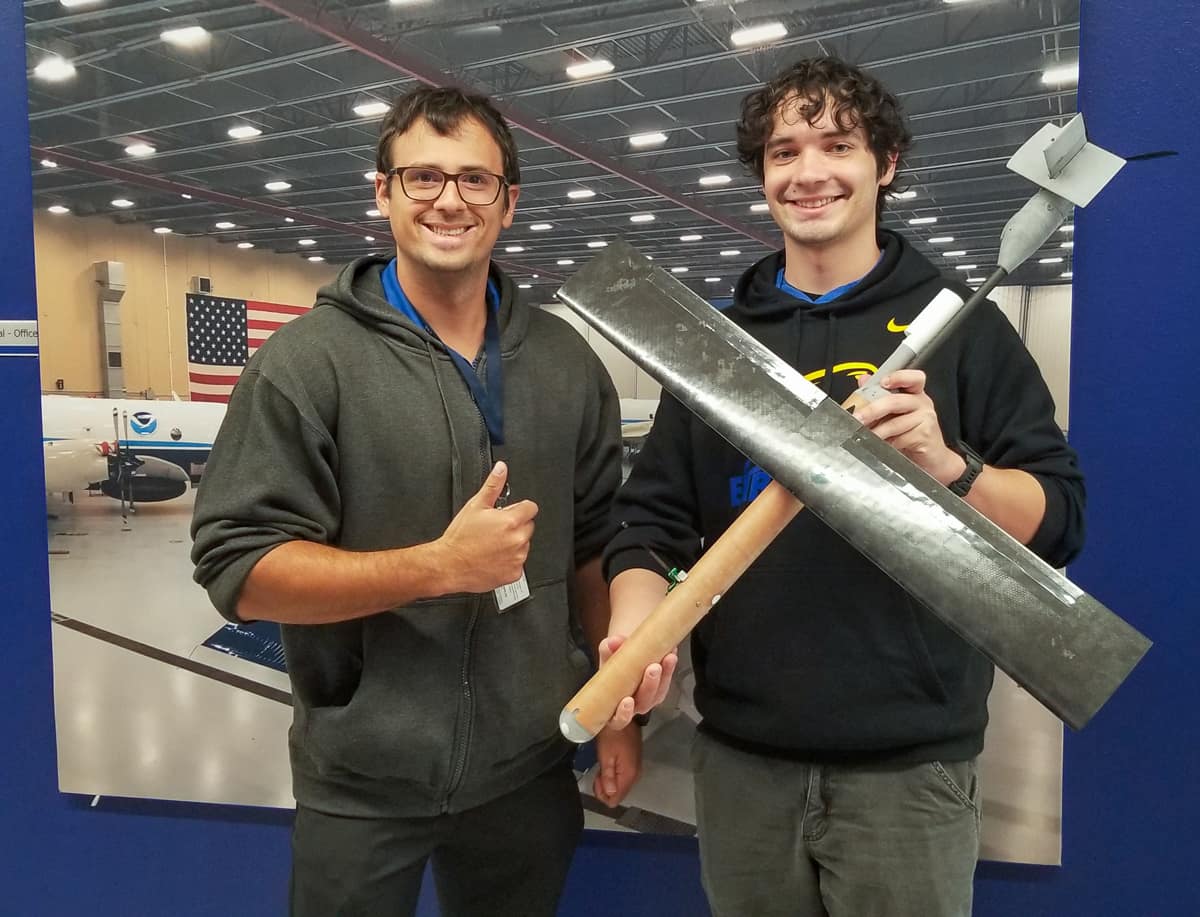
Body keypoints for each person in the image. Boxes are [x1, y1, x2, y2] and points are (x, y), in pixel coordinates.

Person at [603, 57, 1085, 917]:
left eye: (837, 144)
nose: (809, 171)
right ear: (761, 173)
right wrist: (637, 626)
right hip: (744, 761)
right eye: (785, 151)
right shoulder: (717, 347)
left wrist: (954, 469)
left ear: (885, 163)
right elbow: (651, 523)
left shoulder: (963, 335)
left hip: (910, 773)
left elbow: (1060, 521)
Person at [191, 85, 651, 917]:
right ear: (383, 191)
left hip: (528, 767)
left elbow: (594, 542)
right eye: (422, 178)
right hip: (361, 782)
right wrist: (435, 568)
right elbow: (242, 568)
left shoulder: (565, 362)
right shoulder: (307, 364)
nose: (449, 200)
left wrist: (615, 710)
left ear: (508, 204)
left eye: (476, 180)